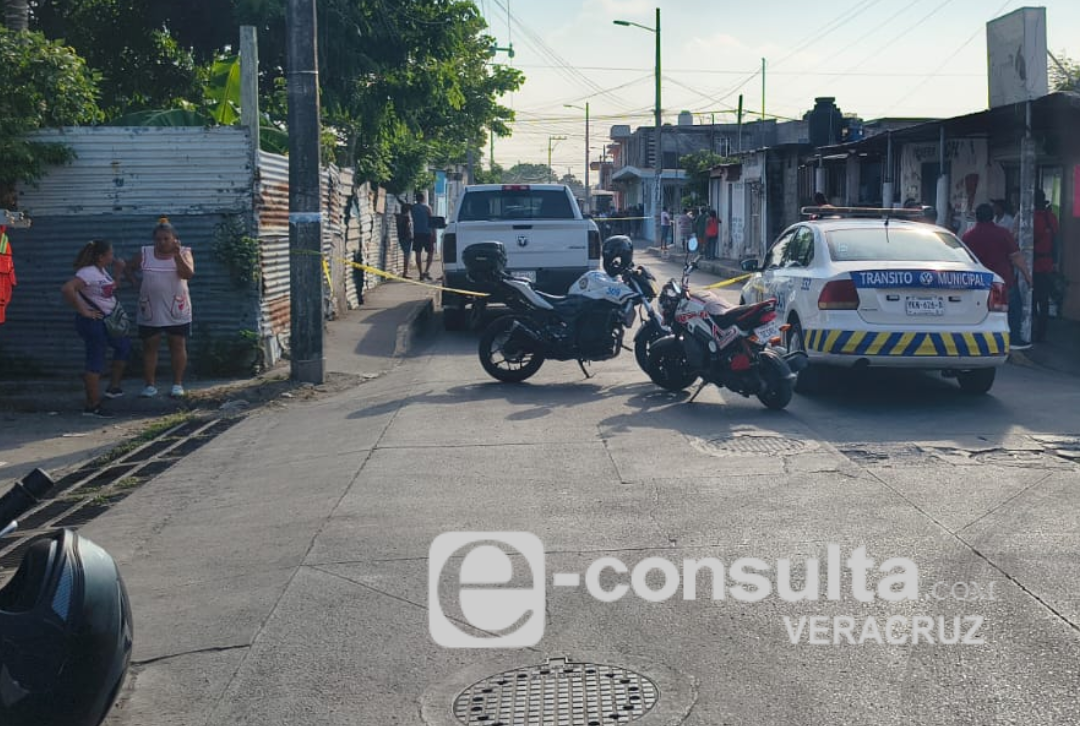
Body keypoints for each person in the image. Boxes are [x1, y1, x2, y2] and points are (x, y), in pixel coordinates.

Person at [61, 239, 131, 417]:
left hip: (108, 320)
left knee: (122, 346)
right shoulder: (88, 273)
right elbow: (68, 289)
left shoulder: (101, 271)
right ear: (101, 257)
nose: (112, 257)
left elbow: (109, 290)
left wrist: (118, 272)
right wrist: (84, 311)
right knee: (96, 360)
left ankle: (113, 387)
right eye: (110, 254)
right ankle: (92, 405)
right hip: (94, 323)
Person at [126, 219, 194, 399]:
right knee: (150, 346)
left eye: (166, 239)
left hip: (176, 307)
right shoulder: (145, 253)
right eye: (158, 239)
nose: (162, 243)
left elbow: (187, 274)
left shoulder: (185, 252)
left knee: (177, 344)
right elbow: (128, 267)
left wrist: (177, 255)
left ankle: (177, 384)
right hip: (150, 308)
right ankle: (150, 385)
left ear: (174, 239)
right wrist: (135, 283)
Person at [962, 203, 1033, 350]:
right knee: (1010, 311)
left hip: (978, 283)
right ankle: (1012, 340)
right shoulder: (1002, 233)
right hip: (1000, 282)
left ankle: (984, 340)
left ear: (977, 217)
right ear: (993, 216)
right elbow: (1016, 257)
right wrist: (1028, 276)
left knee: (985, 313)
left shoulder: (968, 236)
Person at [1032, 189, 1060, 343]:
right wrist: (1055, 261)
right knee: (1043, 300)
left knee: (1031, 299)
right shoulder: (1051, 218)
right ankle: (1042, 332)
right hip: (1047, 263)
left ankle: (1031, 330)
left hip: (1033, 263)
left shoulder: (1031, 218)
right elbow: (1056, 241)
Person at [411, 192, 434, 280]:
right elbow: (431, 221)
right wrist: (433, 233)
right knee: (430, 252)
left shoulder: (413, 208)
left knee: (418, 253)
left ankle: (420, 273)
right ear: (423, 199)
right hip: (427, 232)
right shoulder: (427, 208)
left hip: (417, 233)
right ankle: (426, 271)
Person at [395, 203, 413, 278]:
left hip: (400, 237)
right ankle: (405, 273)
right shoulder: (407, 218)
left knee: (405, 254)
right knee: (407, 255)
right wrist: (410, 236)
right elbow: (408, 228)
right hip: (406, 237)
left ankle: (405, 272)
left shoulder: (398, 217)